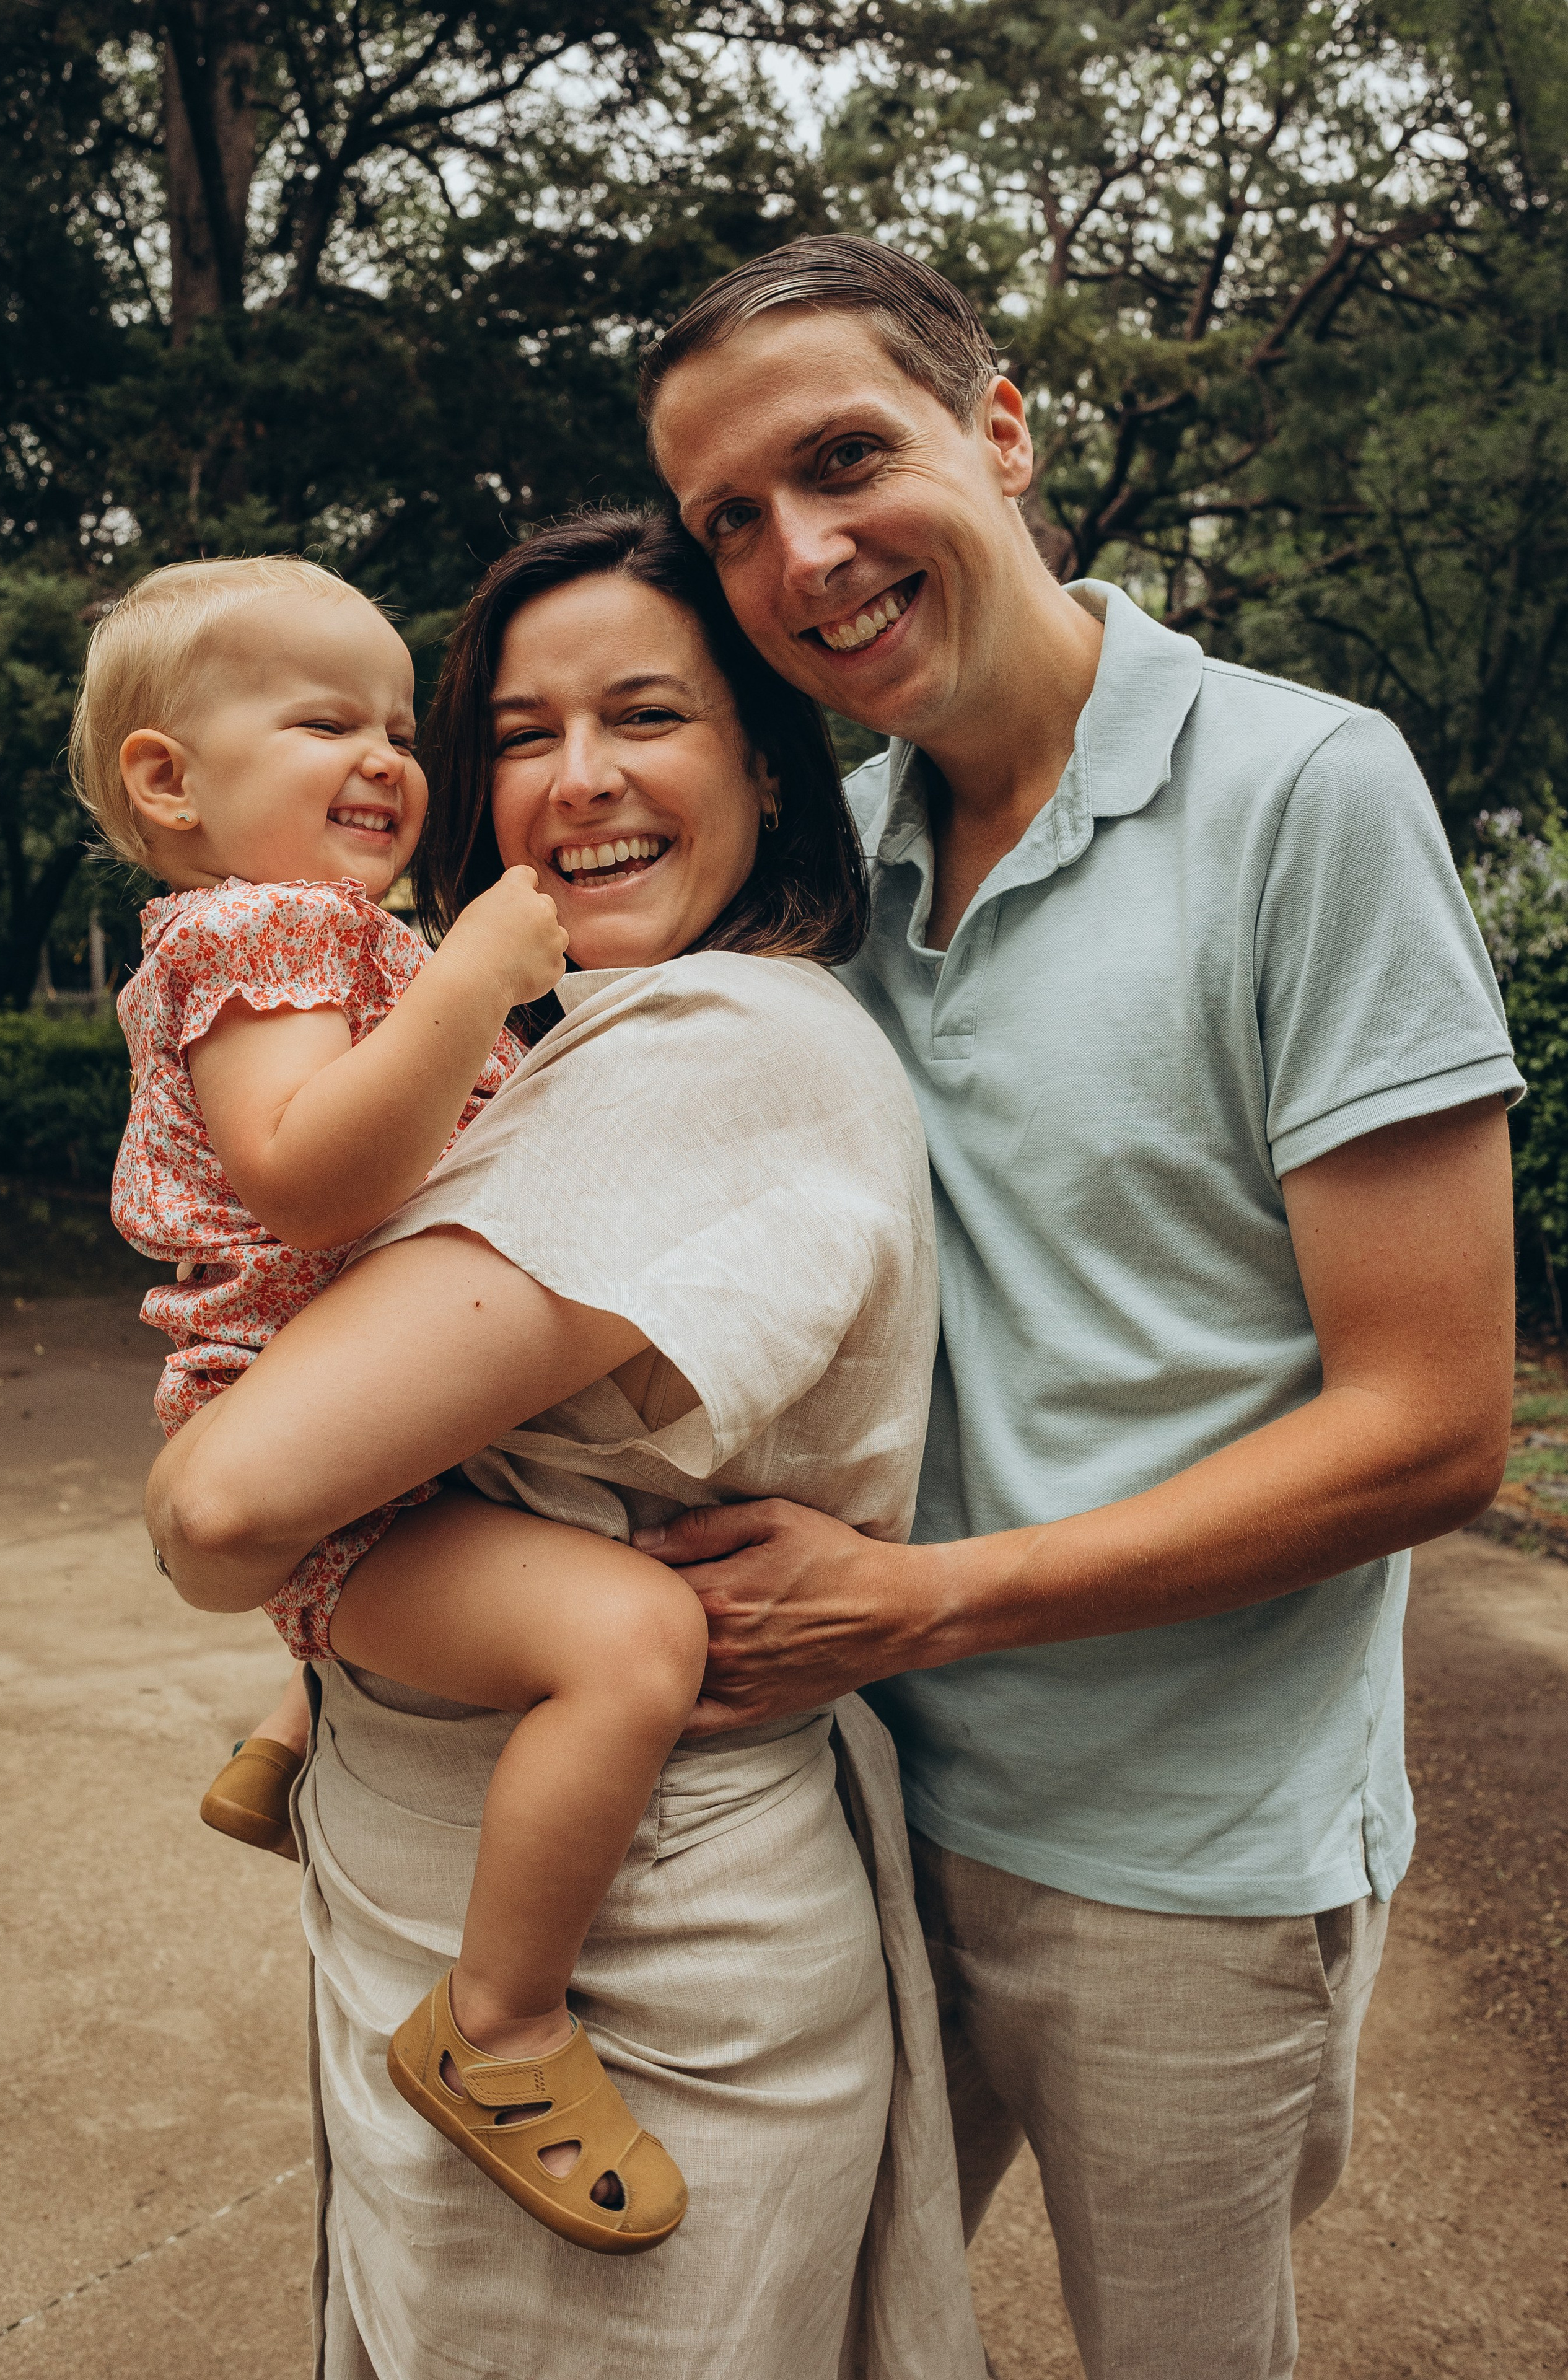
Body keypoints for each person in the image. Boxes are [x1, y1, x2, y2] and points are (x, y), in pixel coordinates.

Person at [633, 236, 1523, 2377]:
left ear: (1004, 430)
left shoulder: (1306, 790)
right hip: (849, 1802)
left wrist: (920, 1601)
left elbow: (1431, 1425)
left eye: (847, 459)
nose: (799, 556)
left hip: (1185, 1861)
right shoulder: (822, 861)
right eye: (730, 520)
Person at [146, 513, 987, 2377]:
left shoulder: (716, 1042)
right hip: (459, 1852)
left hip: (636, 1954)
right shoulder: (559, 1027)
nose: (578, 776)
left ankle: (495, 2022)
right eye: (523, 733)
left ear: (769, 767)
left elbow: (224, 1504)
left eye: (647, 715)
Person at [84, 552, 712, 2254]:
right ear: (171, 782)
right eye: (323, 723)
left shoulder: (325, 937)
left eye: (395, 725)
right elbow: (311, 1181)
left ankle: (293, 1724)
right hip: (334, 1456)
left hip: (373, 1429)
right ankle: (499, 2026)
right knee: (632, 1640)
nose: (384, 757)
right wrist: (471, 979)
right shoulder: (261, 931)